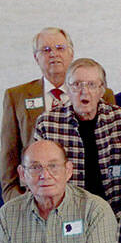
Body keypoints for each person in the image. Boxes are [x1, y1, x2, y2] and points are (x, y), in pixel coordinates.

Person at [4, 28, 115, 201]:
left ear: (71, 54)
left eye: (60, 48)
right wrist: (17, 201)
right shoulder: (16, 96)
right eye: (46, 50)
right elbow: (8, 154)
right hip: (33, 197)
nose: (54, 54)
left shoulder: (103, 93)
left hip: (92, 196)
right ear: (36, 57)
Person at [33, 57, 121, 213]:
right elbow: (38, 175)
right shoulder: (47, 124)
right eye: (77, 85)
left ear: (102, 90)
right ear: (68, 89)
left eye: (91, 85)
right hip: (65, 213)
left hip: (118, 212)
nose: (84, 92)